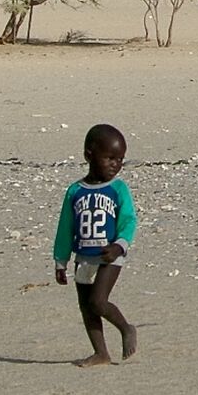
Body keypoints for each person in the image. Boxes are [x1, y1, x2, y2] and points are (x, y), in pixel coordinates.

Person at [52, 123, 138, 367]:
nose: (115, 164)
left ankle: (126, 328)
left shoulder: (118, 189)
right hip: (83, 257)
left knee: (98, 302)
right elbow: (65, 227)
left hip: (110, 256)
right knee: (86, 307)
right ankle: (101, 353)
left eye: (120, 159)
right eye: (110, 158)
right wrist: (60, 261)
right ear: (89, 155)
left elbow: (129, 220)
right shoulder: (75, 191)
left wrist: (120, 245)